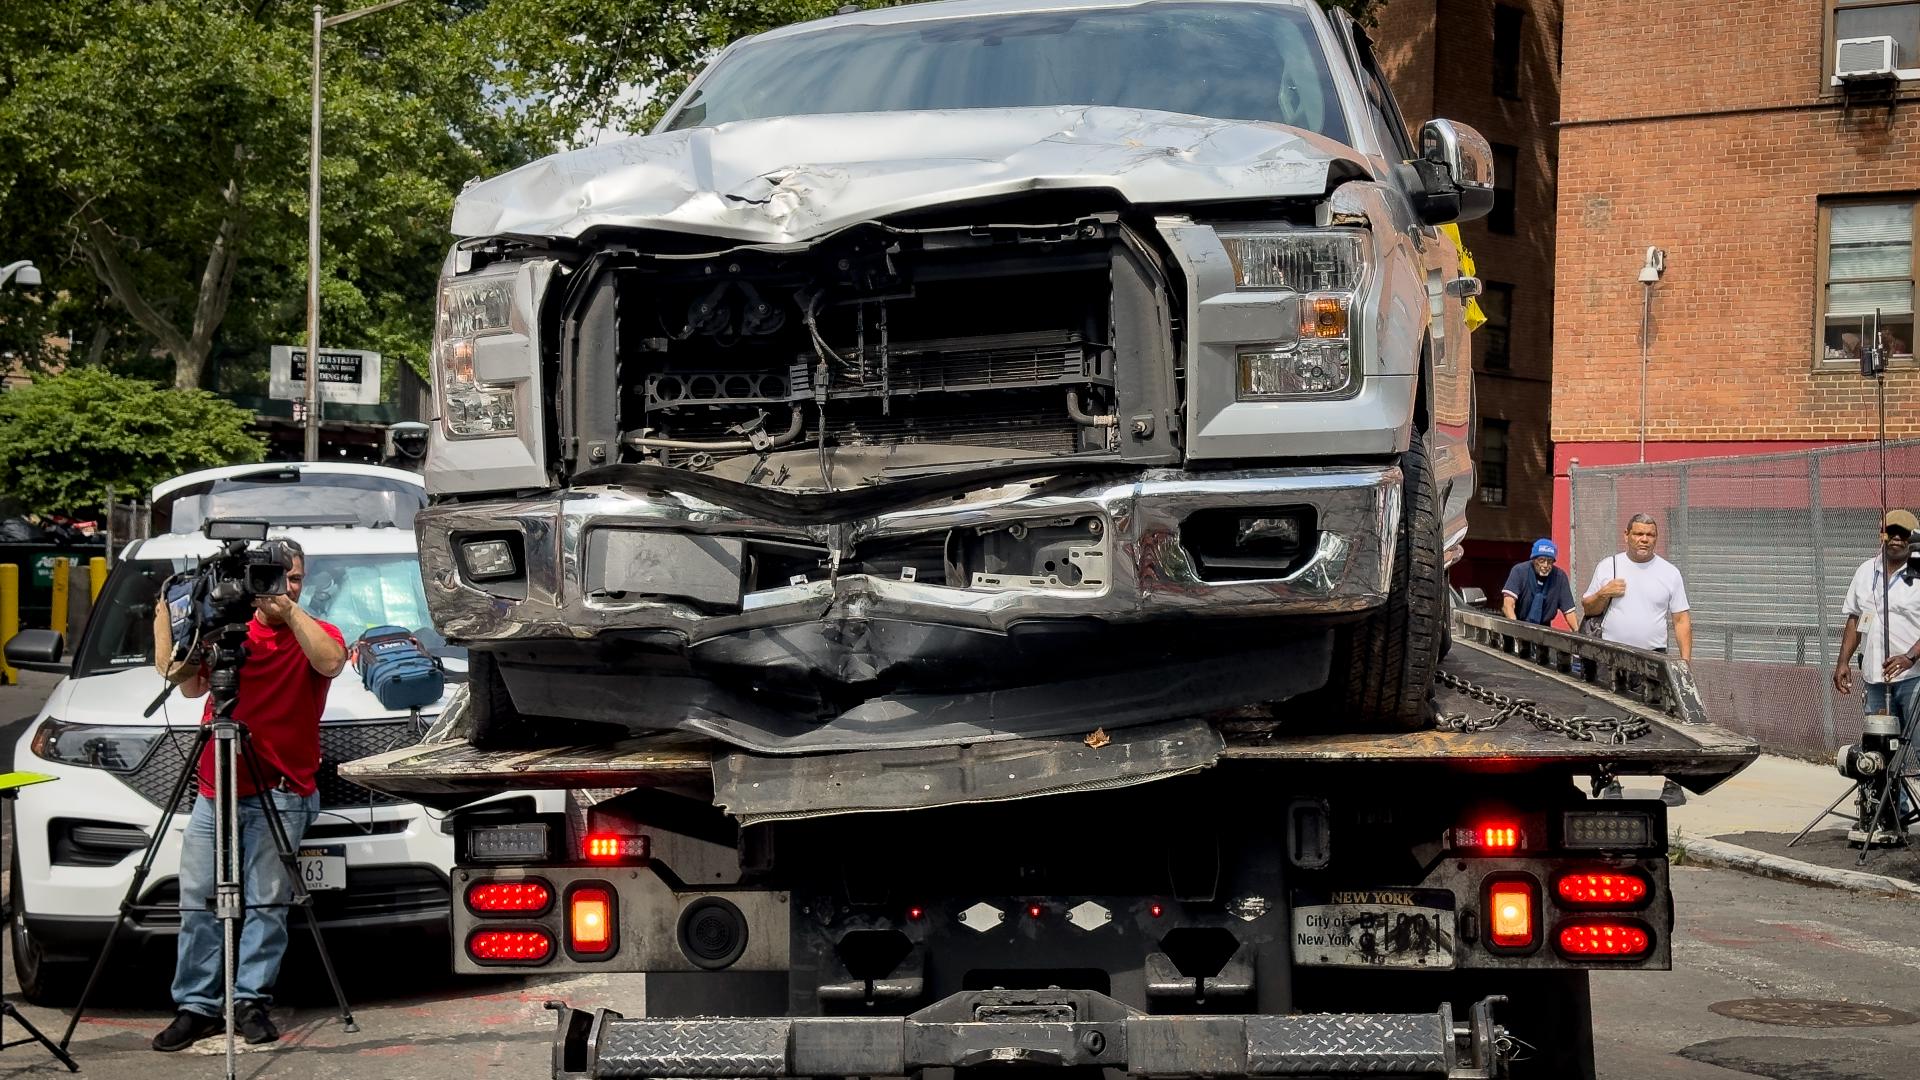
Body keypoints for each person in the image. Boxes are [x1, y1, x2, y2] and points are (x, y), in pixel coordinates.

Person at [148, 540, 347, 1051]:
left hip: (281, 790)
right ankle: (197, 1006)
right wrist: (166, 616)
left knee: (266, 904)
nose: (283, 586)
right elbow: (183, 684)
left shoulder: (317, 633)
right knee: (197, 901)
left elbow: (329, 664)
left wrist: (290, 608)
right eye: (274, 576)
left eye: (294, 577)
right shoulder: (224, 630)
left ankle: (250, 1001)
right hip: (217, 791)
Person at [1832, 510, 1920, 843]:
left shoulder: (1919, 570)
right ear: (1881, 533)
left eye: (1904, 532)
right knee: (1880, 755)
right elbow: (1856, 619)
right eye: (1890, 531)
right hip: (1874, 680)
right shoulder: (1866, 571)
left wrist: (1910, 655)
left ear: (1912, 537)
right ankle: (1888, 818)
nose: (1897, 537)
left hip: (1913, 679)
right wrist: (1842, 662)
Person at [1581, 513, 1692, 660]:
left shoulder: (1670, 572)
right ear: (1626, 536)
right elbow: (1588, 609)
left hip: (1653, 657)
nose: (1644, 539)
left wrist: (1686, 661)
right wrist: (1603, 594)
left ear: (1656, 538)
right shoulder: (1608, 566)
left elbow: (1681, 620)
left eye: (1650, 535)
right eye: (1639, 534)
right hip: (1611, 654)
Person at [1501, 538, 1581, 630]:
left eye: (1550, 561)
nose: (1546, 565)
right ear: (1534, 559)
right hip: (1516, 624)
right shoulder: (1519, 571)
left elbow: (1569, 611)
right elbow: (1508, 605)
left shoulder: (1560, 577)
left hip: (1543, 629)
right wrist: (1516, 630)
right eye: (1541, 560)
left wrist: (1577, 633)